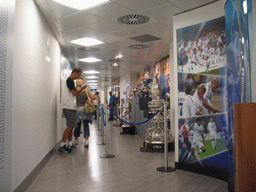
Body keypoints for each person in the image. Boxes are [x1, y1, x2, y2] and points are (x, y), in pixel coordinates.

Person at [58, 68, 87, 153]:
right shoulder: (69, 80)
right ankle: (62, 145)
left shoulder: (67, 81)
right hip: (69, 107)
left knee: (71, 126)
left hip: (70, 106)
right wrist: (81, 88)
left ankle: (69, 143)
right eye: (78, 75)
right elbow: (74, 93)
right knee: (70, 126)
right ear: (74, 73)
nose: (78, 77)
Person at [73, 78, 95, 147]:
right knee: (86, 124)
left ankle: (76, 139)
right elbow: (92, 98)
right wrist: (92, 98)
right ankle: (86, 140)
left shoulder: (75, 90)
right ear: (82, 83)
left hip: (77, 109)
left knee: (77, 125)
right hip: (85, 110)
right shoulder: (86, 90)